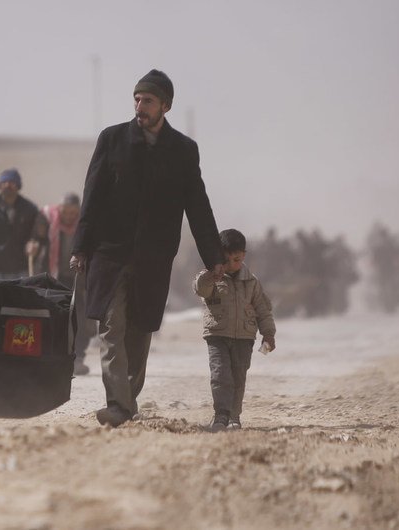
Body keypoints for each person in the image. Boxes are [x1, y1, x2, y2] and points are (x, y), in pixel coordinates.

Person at [71, 69, 224, 427]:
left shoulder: (183, 151)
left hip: (153, 257)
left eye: (148, 100)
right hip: (110, 253)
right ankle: (118, 405)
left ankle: (127, 400)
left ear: (165, 106)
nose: (140, 106)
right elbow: (91, 196)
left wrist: (213, 256)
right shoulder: (112, 140)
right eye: (137, 99)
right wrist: (81, 246)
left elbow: (197, 206)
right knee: (111, 328)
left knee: (140, 332)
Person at [194, 229, 275, 432]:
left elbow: (263, 309)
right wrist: (212, 274)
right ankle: (220, 415)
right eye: (226, 259)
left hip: (244, 338)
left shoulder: (252, 282)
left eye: (236, 259)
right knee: (220, 375)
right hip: (217, 336)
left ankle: (234, 416)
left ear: (244, 256)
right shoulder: (210, 276)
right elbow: (199, 289)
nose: (231, 265)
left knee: (238, 377)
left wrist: (268, 333)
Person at [42, 193, 94, 375]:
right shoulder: (48, 219)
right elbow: (35, 237)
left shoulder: (85, 225)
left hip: (79, 279)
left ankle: (78, 357)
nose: (70, 216)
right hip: (55, 277)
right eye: (66, 211)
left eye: (74, 212)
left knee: (80, 318)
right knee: (56, 317)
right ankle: (56, 358)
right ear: (60, 208)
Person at [0, 168, 46, 280]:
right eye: (4, 182)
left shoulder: (30, 208)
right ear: (0, 186)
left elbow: (39, 229)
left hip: (21, 267)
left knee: (18, 297)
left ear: (18, 186)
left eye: (12, 182)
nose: (8, 185)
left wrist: (35, 242)